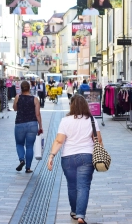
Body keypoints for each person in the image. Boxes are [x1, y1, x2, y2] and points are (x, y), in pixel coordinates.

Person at [47, 94, 103, 224]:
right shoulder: (91, 119)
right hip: (87, 156)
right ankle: (80, 215)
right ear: (85, 105)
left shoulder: (65, 120)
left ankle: (74, 211)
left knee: (72, 186)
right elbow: (98, 140)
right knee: (83, 186)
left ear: (71, 105)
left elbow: (59, 140)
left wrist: (51, 155)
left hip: (68, 157)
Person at [13, 81, 43, 173]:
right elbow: (37, 114)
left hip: (20, 124)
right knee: (30, 146)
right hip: (32, 124)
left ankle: (22, 160)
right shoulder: (35, 99)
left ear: (21, 88)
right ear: (29, 88)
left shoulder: (18, 97)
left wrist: (17, 102)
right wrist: (40, 126)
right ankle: (28, 168)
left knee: (19, 144)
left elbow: (15, 108)